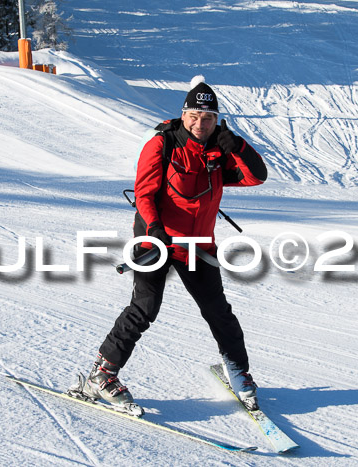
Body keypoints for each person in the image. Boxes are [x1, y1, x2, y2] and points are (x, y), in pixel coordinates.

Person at [77, 76, 268, 414]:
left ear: (216, 120)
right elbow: (145, 193)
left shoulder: (218, 152)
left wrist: (236, 146)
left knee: (218, 311)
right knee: (144, 308)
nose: (200, 123)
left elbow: (256, 176)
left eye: (208, 118)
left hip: (198, 244)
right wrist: (154, 229)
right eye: (194, 116)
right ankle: (101, 375)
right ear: (183, 115)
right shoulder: (162, 145)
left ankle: (238, 371)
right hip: (157, 238)